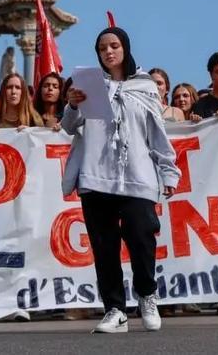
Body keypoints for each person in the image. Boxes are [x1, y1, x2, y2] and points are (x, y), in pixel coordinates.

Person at [62, 27, 179, 334]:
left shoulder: (145, 86)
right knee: (104, 245)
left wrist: (167, 170)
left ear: (125, 48)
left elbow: (156, 132)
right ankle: (115, 310)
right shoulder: (88, 84)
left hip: (137, 176)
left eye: (114, 46)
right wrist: (73, 104)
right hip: (96, 177)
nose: (109, 52)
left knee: (142, 236)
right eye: (102, 49)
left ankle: (146, 293)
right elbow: (69, 126)